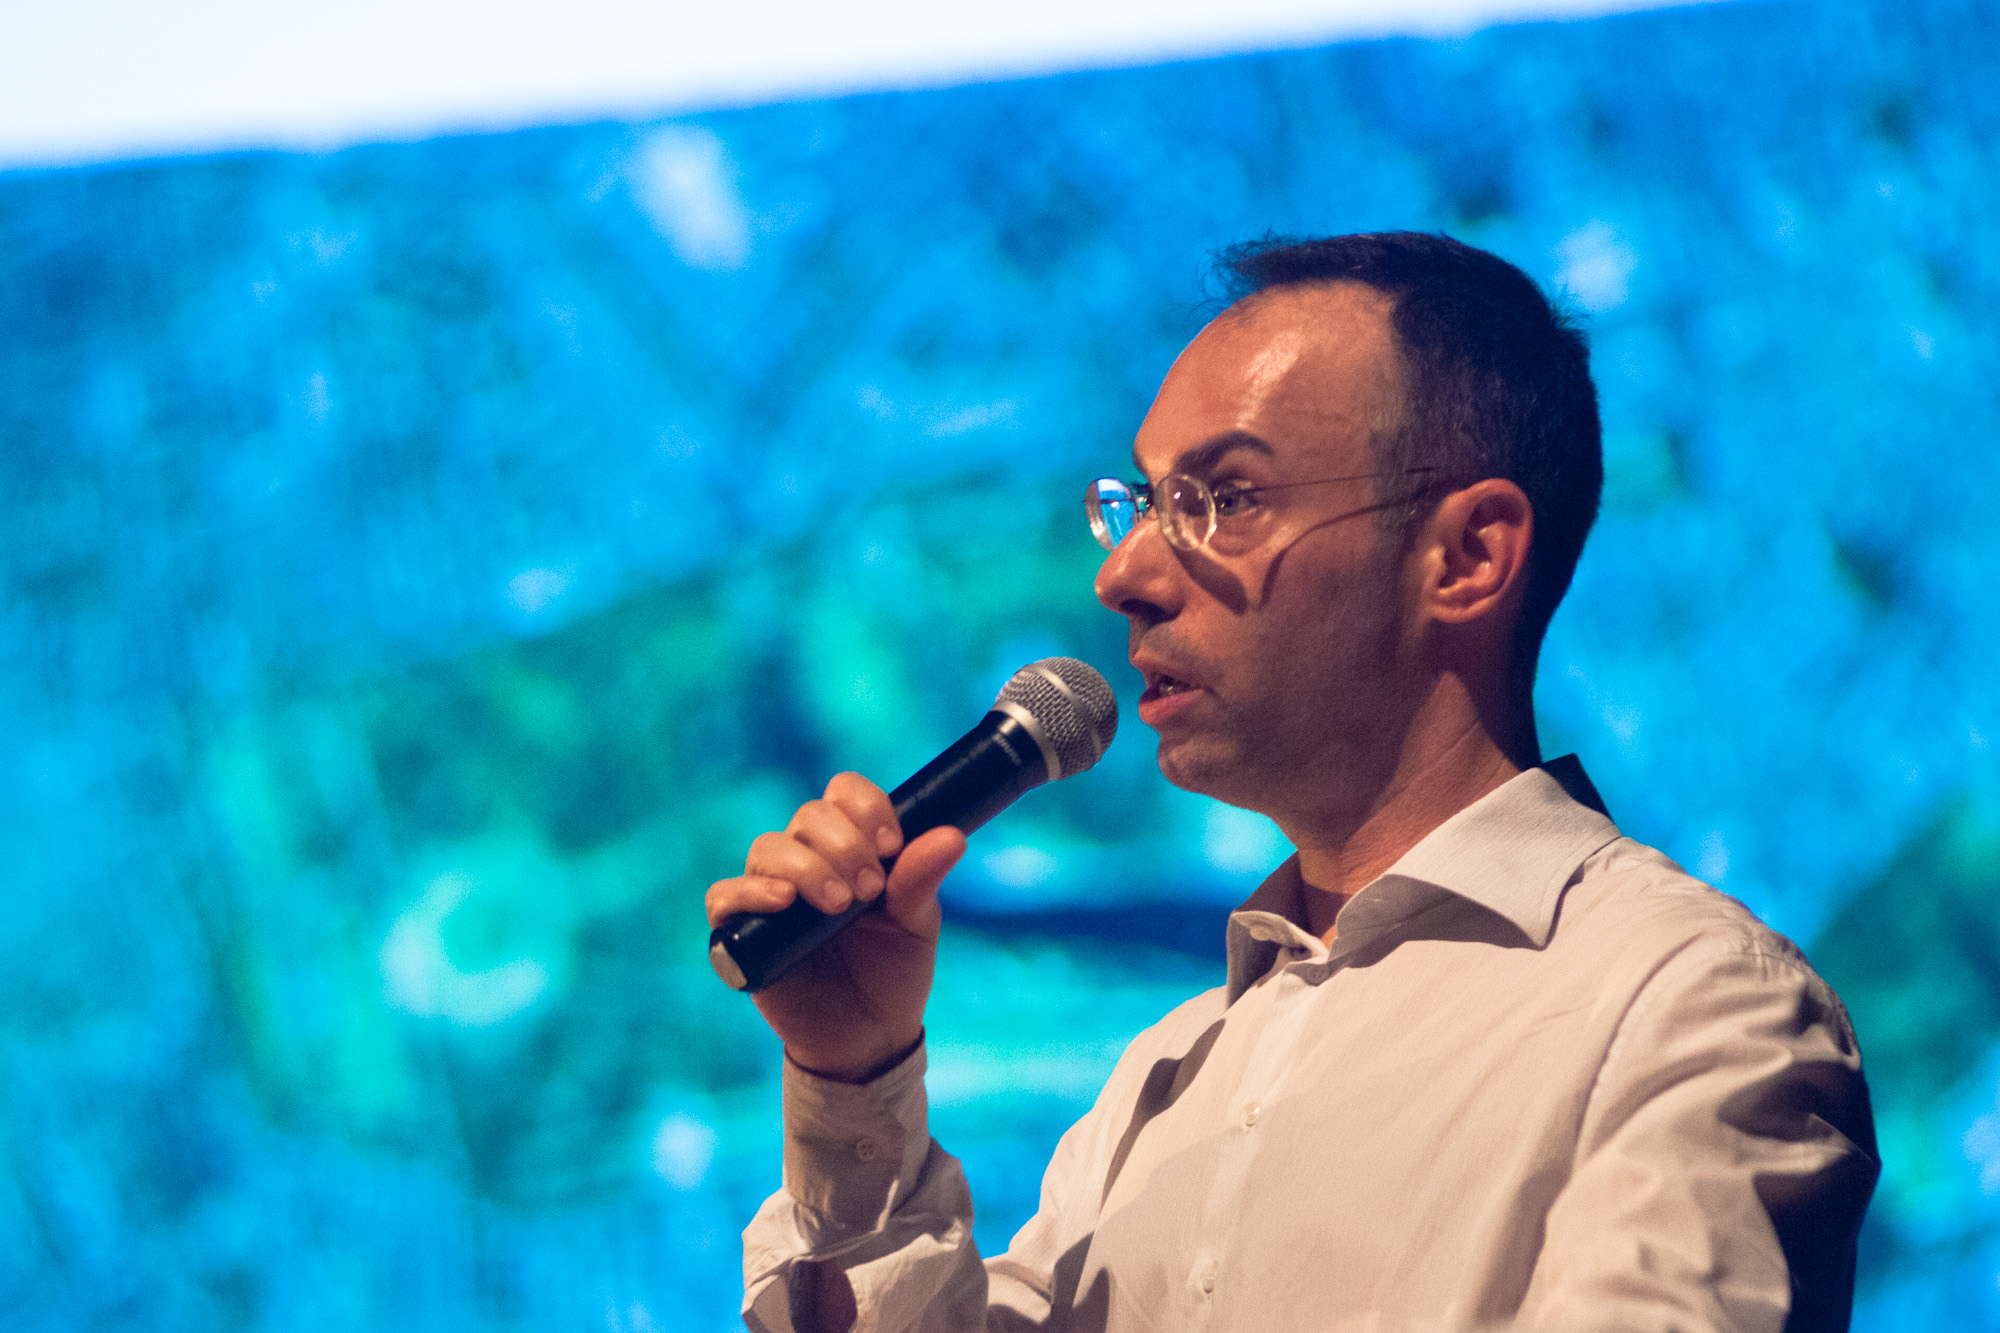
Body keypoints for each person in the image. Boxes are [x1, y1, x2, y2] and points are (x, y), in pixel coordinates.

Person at [706, 232, 1878, 1332]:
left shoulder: (1686, 1006)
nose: (1122, 575)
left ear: (1466, 557)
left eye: (1222, 499)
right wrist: (853, 1076)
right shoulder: (1166, 1075)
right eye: (1138, 503)